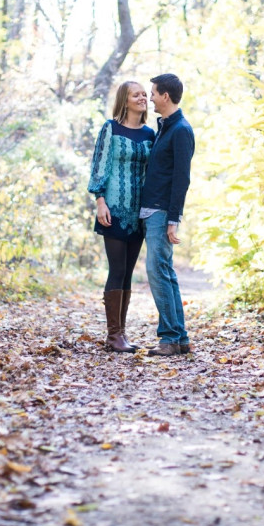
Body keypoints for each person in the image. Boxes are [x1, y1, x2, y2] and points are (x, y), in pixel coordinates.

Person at [88, 81, 156, 353]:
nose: (142, 97)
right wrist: (100, 200)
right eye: (135, 94)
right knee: (116, 269)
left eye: (144, 94)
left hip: (138, 212)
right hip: (113, 209)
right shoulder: (110, 128)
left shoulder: (151, 133)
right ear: (124, 100)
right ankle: (113, 335)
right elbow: (99, 164)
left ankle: (121, 335)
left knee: (127, 273)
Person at [140, 73, 195, 357]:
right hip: (153, 209)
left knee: (157, 271)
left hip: (162, 211)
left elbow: (181, 178)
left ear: (165, 95)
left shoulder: (181, 130)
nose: (149, 97)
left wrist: (174, 219)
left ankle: (170, 338)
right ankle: (180, 337)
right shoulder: (164, 128)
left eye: (153, 92)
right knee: (165, 272)